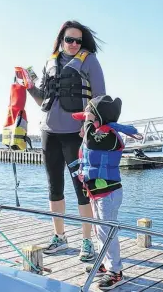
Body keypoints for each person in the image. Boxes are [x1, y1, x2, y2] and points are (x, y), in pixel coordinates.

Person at [27, 20, 106, 261]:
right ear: (61, 40)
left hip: (76, 134)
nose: (73, 44)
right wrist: (30, 87)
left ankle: (87, 241)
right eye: (69, 39)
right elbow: (44, 101)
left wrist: (89, 124)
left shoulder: (90, 61)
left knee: (82, 189)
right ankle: (59, 237)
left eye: (77, 40)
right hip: (49, 132)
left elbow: (100, 96)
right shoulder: (49, 62)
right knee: (54, 187)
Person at [69, 95, 141, 290]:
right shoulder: (96, 131)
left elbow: (92, 141)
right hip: (96, 191)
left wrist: (89, 126)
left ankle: (116, 271)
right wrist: (88, 122)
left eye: (89, 116)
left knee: (106, 231)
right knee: (98, 229)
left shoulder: (106, 136)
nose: (85, 122)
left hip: (108, 193)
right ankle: (104, 262)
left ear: (100, 116)